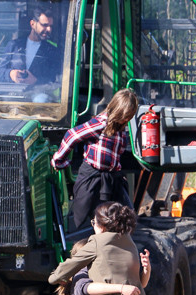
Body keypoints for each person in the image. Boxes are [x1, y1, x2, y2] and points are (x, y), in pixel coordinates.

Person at [51, 89, 139, 228]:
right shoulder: (101, 123)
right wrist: (59, 160)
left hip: (112, 177)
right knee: (86, 218)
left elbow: (116, 155)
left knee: (126, 216)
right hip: (92, 177)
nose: (126, 119)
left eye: (129, 116)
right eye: (124, 115)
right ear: (117, 109)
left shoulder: (121, 129)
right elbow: (72, 135)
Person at [0, 6, 62, 87]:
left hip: (40, 96)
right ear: (32, 24)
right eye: (44, 25)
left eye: (50, 26)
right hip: (12, 95)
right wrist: (11, 74)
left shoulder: (52, 51)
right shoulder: (14, 45)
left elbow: (56, 79)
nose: (49, 29)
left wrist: (36, 81)